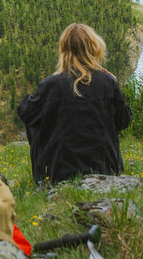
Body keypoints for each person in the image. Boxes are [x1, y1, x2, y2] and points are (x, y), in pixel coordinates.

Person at [17, 23, 132, 184]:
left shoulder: (51, 84)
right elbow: (123, 121)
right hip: (105, 169)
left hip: (58, 172)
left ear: (64, 50)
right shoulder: (107, 82)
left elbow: (26, 113)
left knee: (36, 115)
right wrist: (115, 86)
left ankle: (45, 169)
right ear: (94, 48)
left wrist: (49, 89)